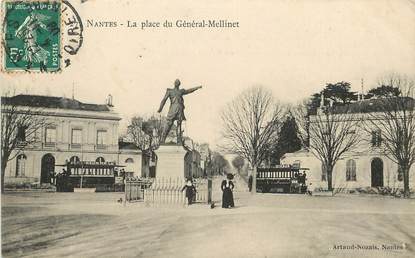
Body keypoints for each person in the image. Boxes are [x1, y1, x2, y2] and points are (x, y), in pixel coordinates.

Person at [157, 79, 202, 143]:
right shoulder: (180, 91)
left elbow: (164, 100)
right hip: (179, 108)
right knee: (178, 124)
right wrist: (197, 87)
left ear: (174, 84)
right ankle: (179, 140)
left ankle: (163, 140)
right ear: (178, 84)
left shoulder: (170, 91)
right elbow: (189, 90)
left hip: (173, 108)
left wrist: (160, 108)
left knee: (169, 123)